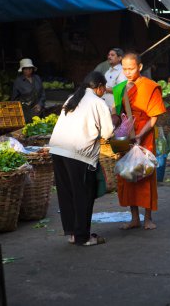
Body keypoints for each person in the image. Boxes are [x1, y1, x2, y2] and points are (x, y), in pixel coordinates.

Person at [49, 71, 114, 246]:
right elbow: (108, 132)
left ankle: (72, 233)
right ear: (99, 87)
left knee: (67, 193)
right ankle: (83, 237)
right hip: (78, 154)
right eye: (104, 87)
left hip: (58, 150)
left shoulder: (72, 98)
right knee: (83, 194)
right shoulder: (98, 103)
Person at [114, 51, 166, 230]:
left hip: (145, 137)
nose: (128, 72)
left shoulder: (151, 87)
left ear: (140, 67)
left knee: (145, 174)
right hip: (126, 137)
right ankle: (134, 218)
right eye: (125, 69)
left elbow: (153, 118)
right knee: (127, 175)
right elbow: (117, 114)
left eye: (131, 68)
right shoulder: (120, 88)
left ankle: (148, 218)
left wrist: (140, 134)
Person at [12, 58, 46, 123]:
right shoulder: (18, 82)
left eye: (30, 68)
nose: (29, 70)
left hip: (40, 111)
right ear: (22, 70)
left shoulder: (37, 78)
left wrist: (40, 104)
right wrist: (25, 104)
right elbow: (15, 99)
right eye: (26, 68)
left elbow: (43, 93)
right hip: (26, 113)